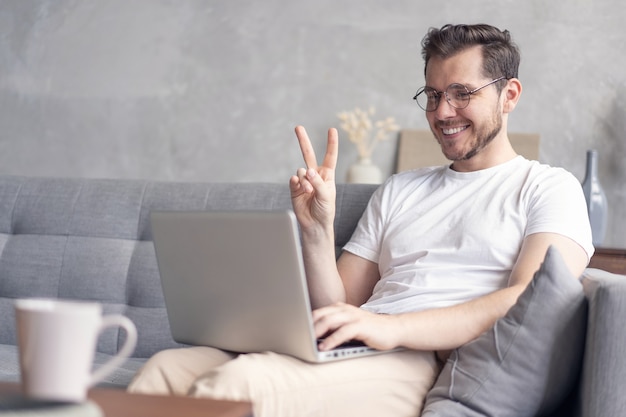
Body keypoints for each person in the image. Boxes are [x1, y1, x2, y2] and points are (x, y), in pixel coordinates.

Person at [128, 23, 593, 416]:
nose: (442, 112)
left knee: (242, 385)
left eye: (461, 93)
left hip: (414, 360)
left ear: (509, 94)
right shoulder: (401, 189)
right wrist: (316, 230)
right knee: (162, 371)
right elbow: (342, 302)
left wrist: (393, 328)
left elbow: (525, 298)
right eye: (432, 95)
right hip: (358, 341)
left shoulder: (549, 188)